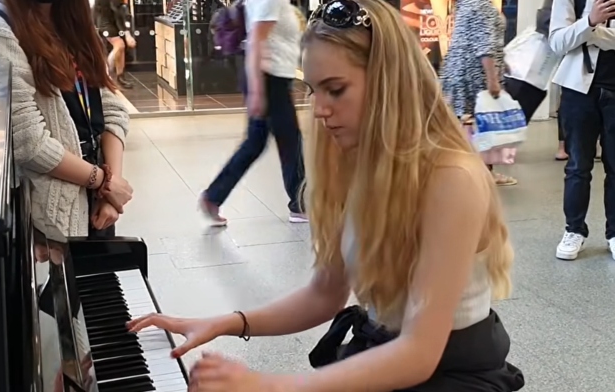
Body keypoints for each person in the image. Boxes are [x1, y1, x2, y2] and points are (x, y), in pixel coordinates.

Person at [128, 1, 525, 390]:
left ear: (391, 82)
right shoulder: (353, 162)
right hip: (387, 352)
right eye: (314, 91)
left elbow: (419, 353)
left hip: (450, 371)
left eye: (336, 90)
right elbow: (325, 293)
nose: (319, 110)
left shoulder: (451, 178)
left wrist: (269, 386)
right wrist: (225, 322)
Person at [0, 0, 133, 240]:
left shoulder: (69, 21)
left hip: (95, 200)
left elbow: (111, 106)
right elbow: (28, 141)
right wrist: (103, 182)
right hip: (47, 216)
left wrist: (109, 189)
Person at [199, 0, 307, 226]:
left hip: (271, 78)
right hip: (270, 79)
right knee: (290, 141)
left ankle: (213, 196)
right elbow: (257, 40)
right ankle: (299, 205)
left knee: (258, 142)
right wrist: (257, 90)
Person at [550, 0, 615, 260]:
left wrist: (591, 34)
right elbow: (557, 43)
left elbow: (572, 38)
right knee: (577, 166)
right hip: (578, 90)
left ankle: (614, 233)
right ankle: (574, 229)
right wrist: (589, 21)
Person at [441, 0, 517, 186]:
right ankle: (483, 172)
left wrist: (502, 63)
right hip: (474, 74)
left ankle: (468, 169)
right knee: (483, 123)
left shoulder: (466, 4)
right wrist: (492, 80)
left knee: (467, 122)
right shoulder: (481, 6)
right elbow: (484, 47)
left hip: (459, 70)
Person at [94, 0, 136, 89]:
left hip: (108, 21)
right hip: (106, 23)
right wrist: (127, 34)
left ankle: (120, 77)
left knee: (121, 47)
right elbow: (117, 11)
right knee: (119, 45)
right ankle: (106, 74)